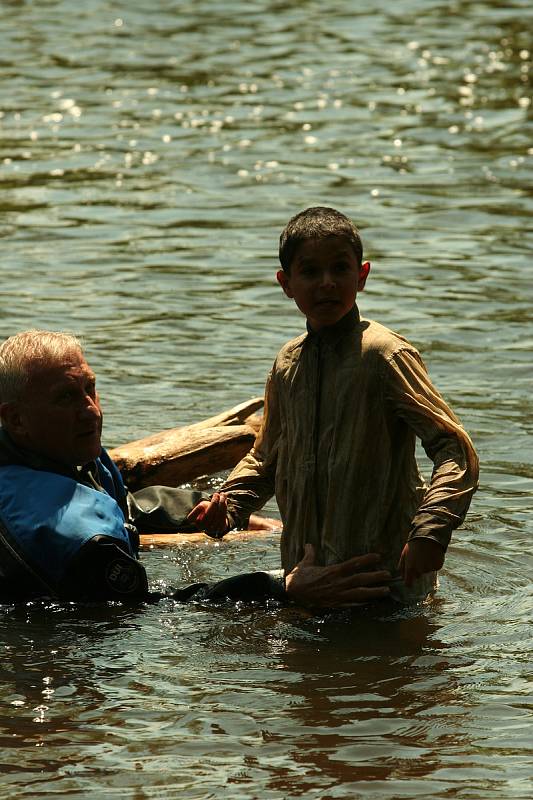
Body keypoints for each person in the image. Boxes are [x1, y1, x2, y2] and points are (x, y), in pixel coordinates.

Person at [189, 206, 480, 603]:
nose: (326, 283)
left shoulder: (385, 356)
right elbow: (267, 459)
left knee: (391, 664)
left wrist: (431, 531)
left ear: (361, 276)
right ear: (286, 283)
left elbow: (454, 449)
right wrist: (229, 506)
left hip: (384, 581)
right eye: (309, 272)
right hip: (308, 580)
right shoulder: (288, 364)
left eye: (339, 269)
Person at [0, 329, 392, 605]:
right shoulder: (74, 539)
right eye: (66, 397)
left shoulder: (51, 449)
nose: (91, 409)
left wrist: (196, 508)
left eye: (90, 388)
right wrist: (281, 588)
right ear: (16, 419)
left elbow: (119, 505)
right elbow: (146, 610)